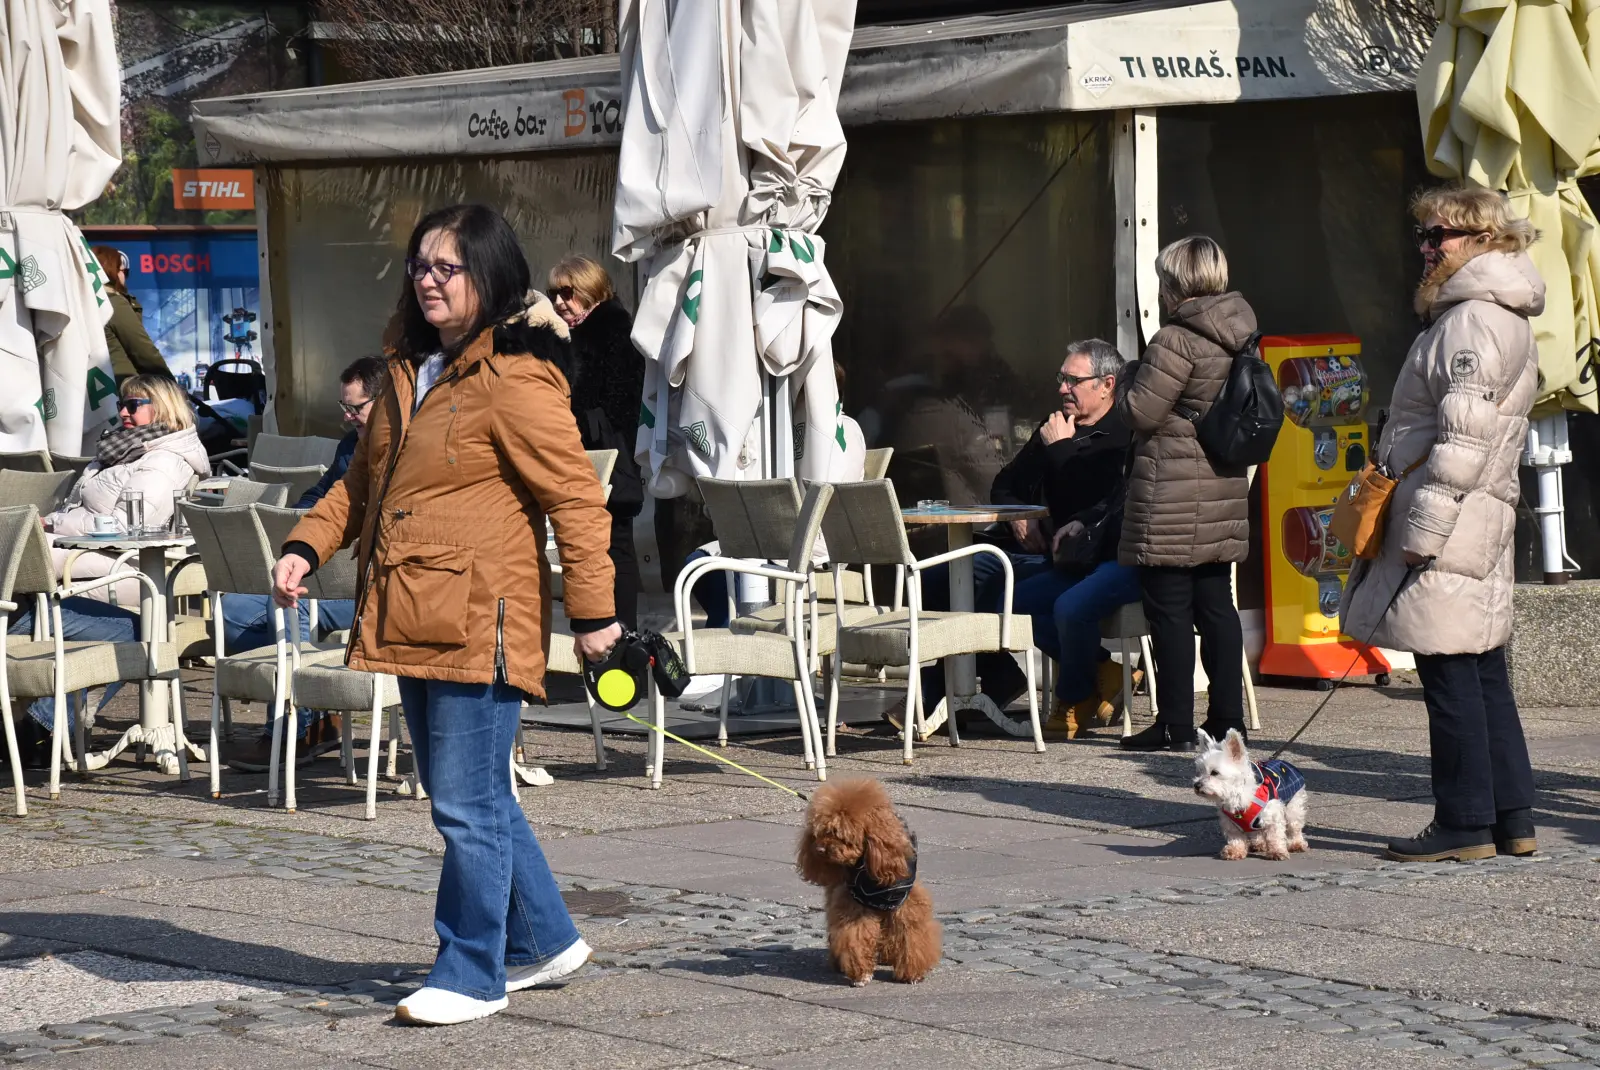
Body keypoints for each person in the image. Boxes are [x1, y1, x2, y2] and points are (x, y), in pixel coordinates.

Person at [272, 203, 619, 1027]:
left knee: (464, 804)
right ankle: (542, 939)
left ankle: (472, 971)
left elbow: (576, 497)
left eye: (447, 267)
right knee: (469, 796)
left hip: (478, 614)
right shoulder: (405, 370)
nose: (428, 279)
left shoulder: (516, 376)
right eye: (420, 265)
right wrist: (306, 545)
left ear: (490, 278)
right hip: (409, 609)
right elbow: (359, 485)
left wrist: (597, 614)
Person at [1343, 186, 1543, 863]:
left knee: (1450, 671)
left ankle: (1463, 821)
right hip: (1477, 513)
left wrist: (1423, 530)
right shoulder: (1490, 315)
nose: (1428, 248)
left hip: (1450, 514)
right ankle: (1511, 816)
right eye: (1424, 236)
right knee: (1481, 666)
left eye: (1443, 236)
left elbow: (1462, 439)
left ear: (1483, 239)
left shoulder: (1471, 322)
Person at [894, 340, 1138, 735]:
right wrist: (1020, 522)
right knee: (945, 578)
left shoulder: (1121, 434)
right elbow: (1004, 485)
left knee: (1001, 597)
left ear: (1107, 384)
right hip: (1043, 552)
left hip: (1087, 558)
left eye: (1073, 381)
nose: (1063, 389)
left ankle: (937, 693)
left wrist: (1060, 449)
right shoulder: (1058, 423)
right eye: (1062, 379)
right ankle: (1005, 674)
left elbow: (1097, 503)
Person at [7, 375, 209, 760]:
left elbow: (127, 527)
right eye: (122, 403)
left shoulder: (164, 458)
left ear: (163, 407)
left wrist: (56, 528)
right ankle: (46, 726)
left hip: (131, 566)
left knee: (137, 631)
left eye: (134, 404)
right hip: (92, 562)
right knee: (131, 632)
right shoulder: (121, 450)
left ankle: (44, 726)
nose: (123, 411)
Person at [1116, 235, 1253, 753]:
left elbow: (1140, 413)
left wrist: (1130, 374)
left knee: (1169, 610)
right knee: (1217, 604)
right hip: (1221, 482)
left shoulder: (1176, 338)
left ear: (1175, 284)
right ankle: (1226, 721)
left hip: (1172, 489)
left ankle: (1173, 723)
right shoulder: (1239, 330)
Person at [222, 354, 387, 772]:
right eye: (344, 408)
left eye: (356, 408)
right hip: (338, 580)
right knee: (230, 612)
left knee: (285, 611)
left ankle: (293, 729)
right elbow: (325, 494)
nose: (349, 417)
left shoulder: (411, 449)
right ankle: (315, 715)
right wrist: (298, 522)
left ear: (386, 402)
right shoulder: (353, 447)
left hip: (381, 588)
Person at [549, 256, 645, 629]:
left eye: (567, 292)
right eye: (554, 293)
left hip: (609, 460)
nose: (559, 302)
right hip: (591, 457)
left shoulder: (616, 335)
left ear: (590, 292)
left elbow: (622, 404)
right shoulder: (575, 339)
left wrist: (577, 418)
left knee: (615, 546)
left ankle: (622, 635)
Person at [92, 246, 172, 385]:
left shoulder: (85, 303)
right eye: (124, 271)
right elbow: (143, 351)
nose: (125, 277)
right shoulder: (113, 303)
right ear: (110, 271)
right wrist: (170, 385)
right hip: (124, 388)